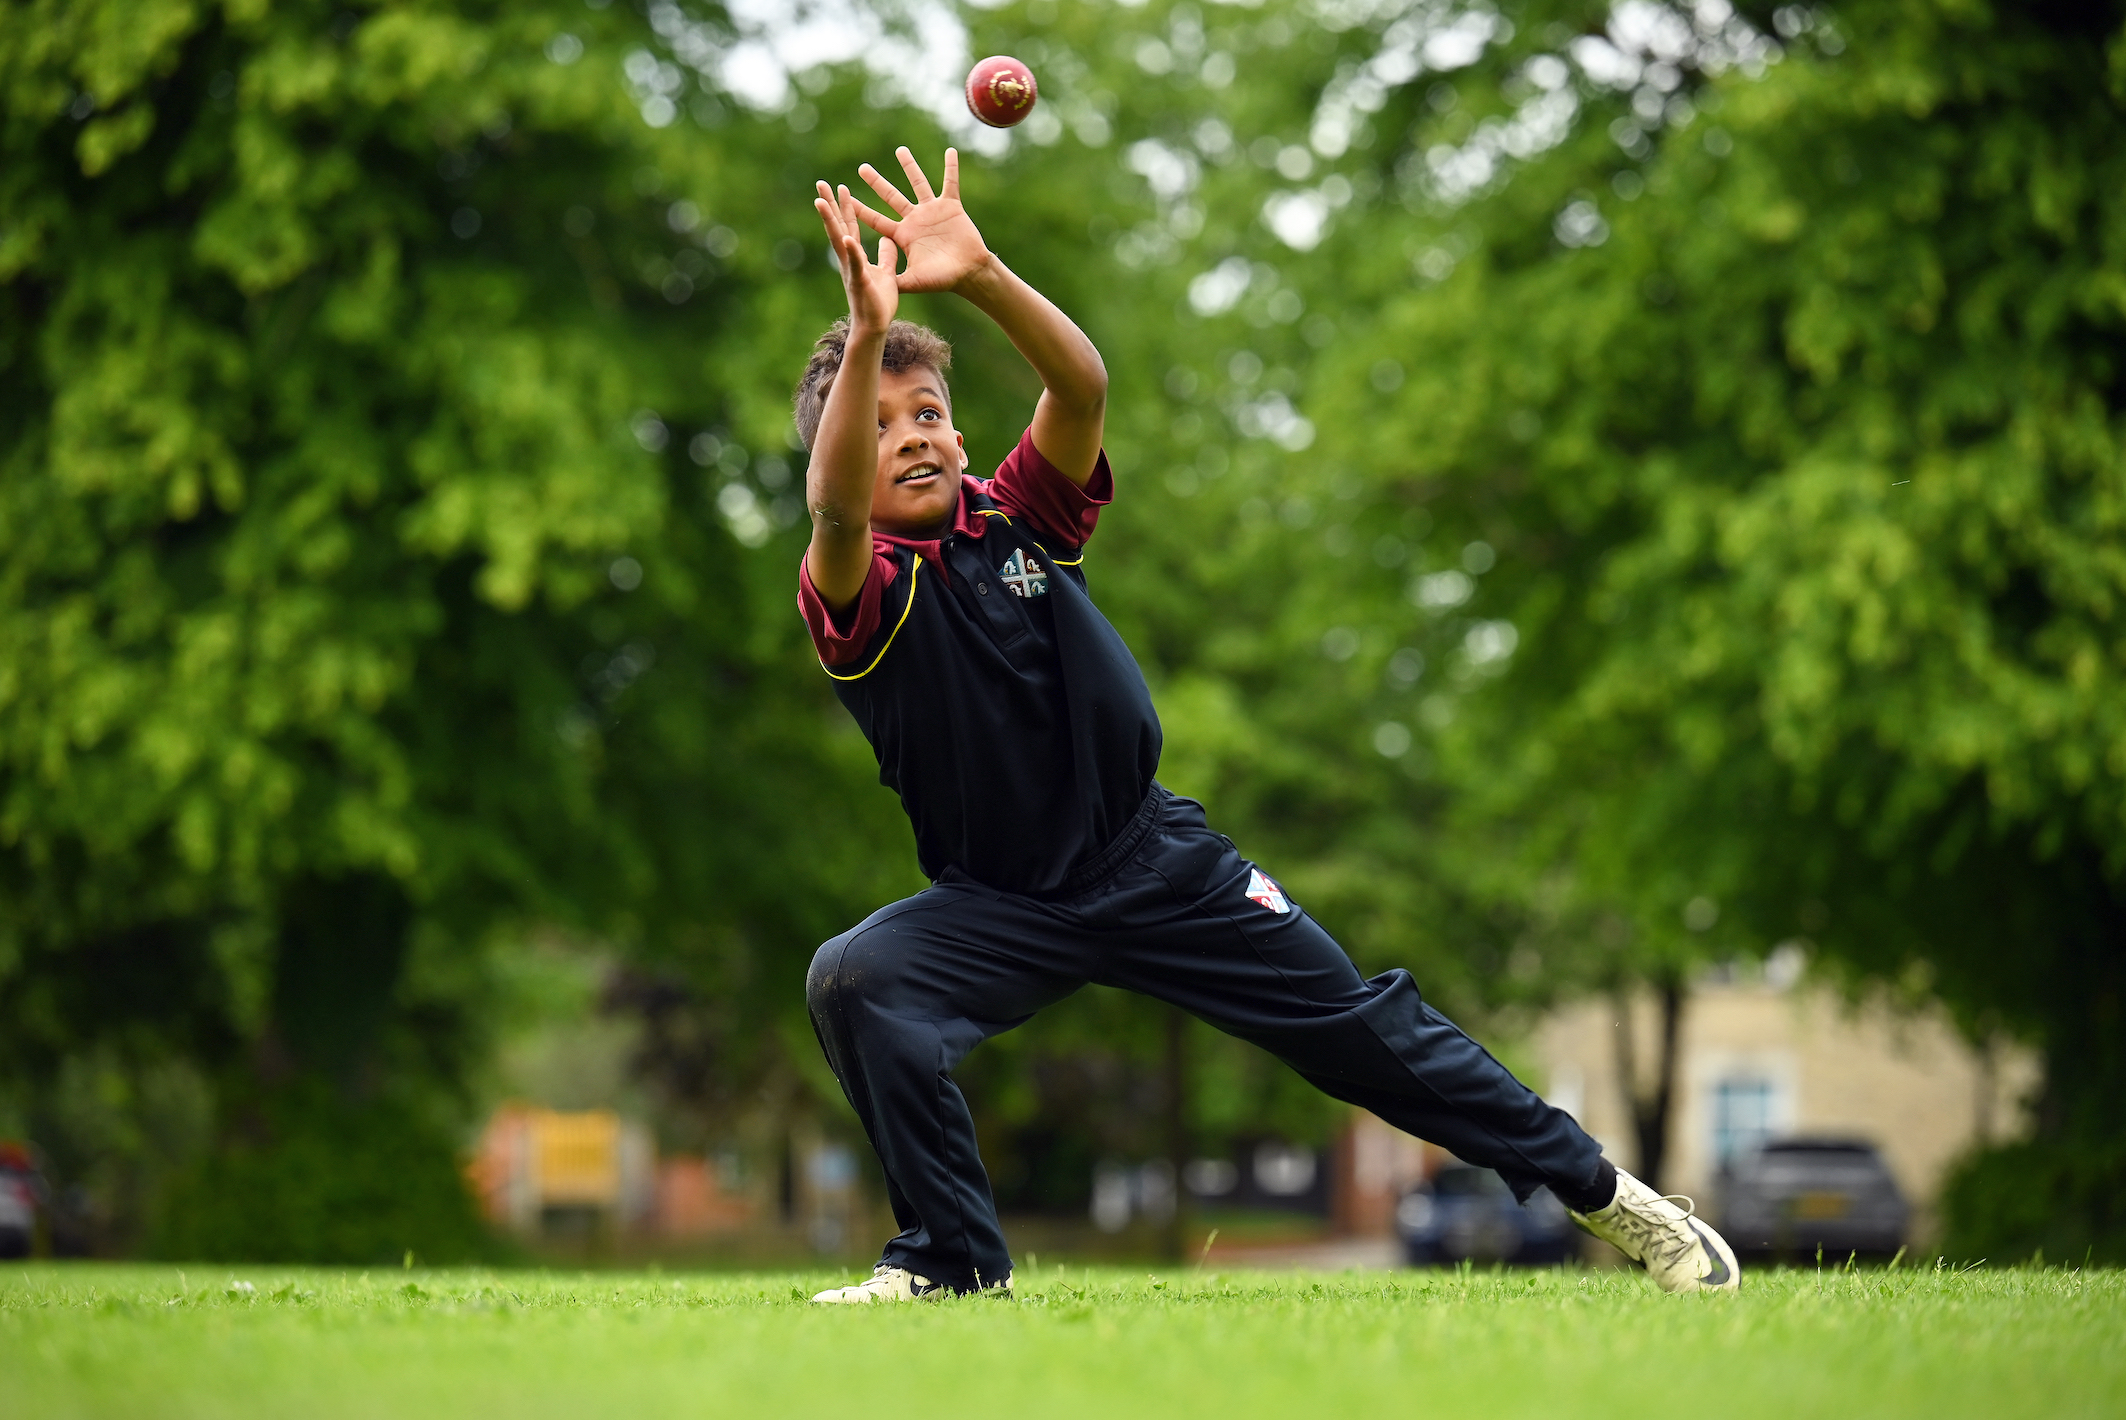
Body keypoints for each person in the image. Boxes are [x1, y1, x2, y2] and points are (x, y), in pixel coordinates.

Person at [793, 147, 1739, 1302]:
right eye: (882, 423)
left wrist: (983, 273)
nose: (915, 436)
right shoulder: (861, 584)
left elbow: (1080, 389)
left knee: (1362, 1029)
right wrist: (861, 323)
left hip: (1151, 860)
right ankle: (951, 1264)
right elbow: (836, 502)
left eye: (928, 410)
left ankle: (1613, 1198)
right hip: (999, 904)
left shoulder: (1017, 515)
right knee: (855, 976)